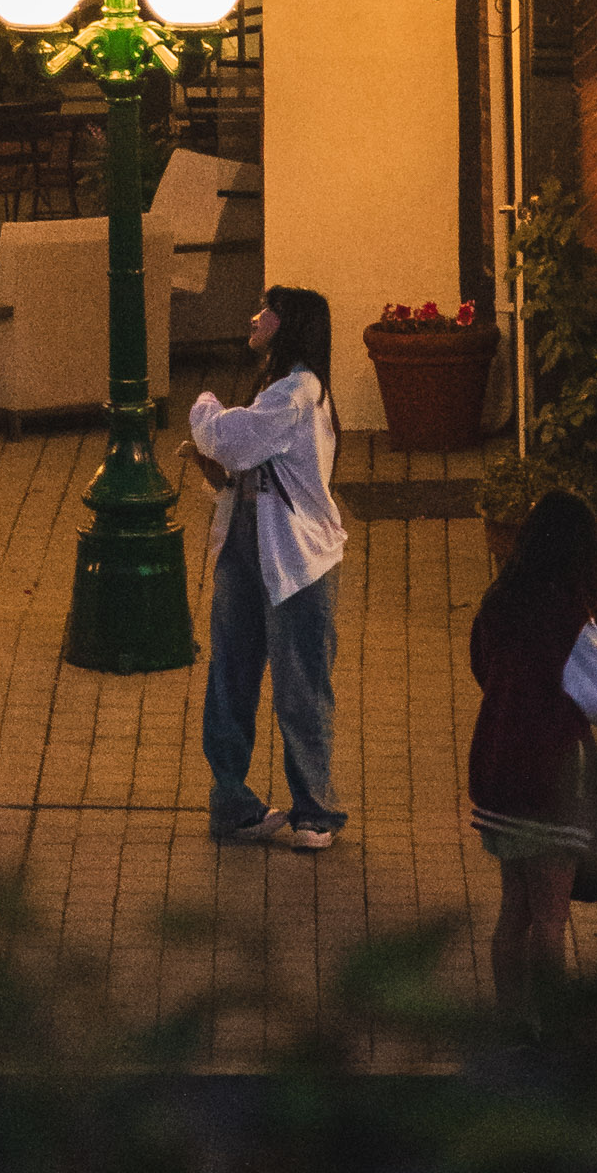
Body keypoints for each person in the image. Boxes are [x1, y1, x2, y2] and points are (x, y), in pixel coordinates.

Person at [467, 488, 597, 1022]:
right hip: (549, 783)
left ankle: (511, 1021)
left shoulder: (498, 601)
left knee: (513, 912)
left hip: (495, 772)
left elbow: (481, 666)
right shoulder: (569, 618)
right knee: (550, 918)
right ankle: (555, 1030)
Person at [188, 282, 349, 850]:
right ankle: (238, 804)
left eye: (268, 311)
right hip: (249, 546)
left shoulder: (297, 393)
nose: (255, 317)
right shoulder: (282, 389)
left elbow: (229, 439)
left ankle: (313, 811)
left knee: (298, 683)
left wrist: (202, 402)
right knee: (231, 675)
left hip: (296, 560)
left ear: (290, 325)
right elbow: (244, 468)